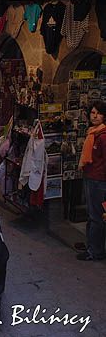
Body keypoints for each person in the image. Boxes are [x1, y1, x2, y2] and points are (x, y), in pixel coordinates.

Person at [76, 101, 106, 261]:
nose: (95, 116)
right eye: (93, 113)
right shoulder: (93, 132)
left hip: (98, 181)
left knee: (96, 216)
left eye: (98, 113)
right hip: (91, 177)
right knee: (92, 214)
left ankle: (95, 251)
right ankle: (91, 245)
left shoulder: (103, 136)